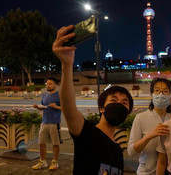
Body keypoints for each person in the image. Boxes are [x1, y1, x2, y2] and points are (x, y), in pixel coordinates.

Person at [52, 25, 134, 174]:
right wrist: (66, 64)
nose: (119, 105)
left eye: (124, 103)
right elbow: (69, 110)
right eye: (113, 100)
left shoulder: (117, 151)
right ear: (101, 108)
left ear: (128, 114)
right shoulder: (87, 133)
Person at [128, 77, 171, 175]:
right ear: (152, 94)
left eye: (165, 91)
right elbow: (131, 151)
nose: (161, 94)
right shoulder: (141, 118)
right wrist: (149, 136)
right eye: (157, 90)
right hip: (145, 172)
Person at [32, 77, 62, 171]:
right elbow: (44, 107)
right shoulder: (44, 96)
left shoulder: (59, 96)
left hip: (54, 122)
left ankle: (55, 162)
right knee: (41, 143)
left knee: (55, 144)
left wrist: (56, 106)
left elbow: (65, 108)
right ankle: (43, 161)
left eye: (50, 83)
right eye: (47, 83)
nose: (47, 85)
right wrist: (38, 107)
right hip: (44, 122)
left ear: (55, 85)